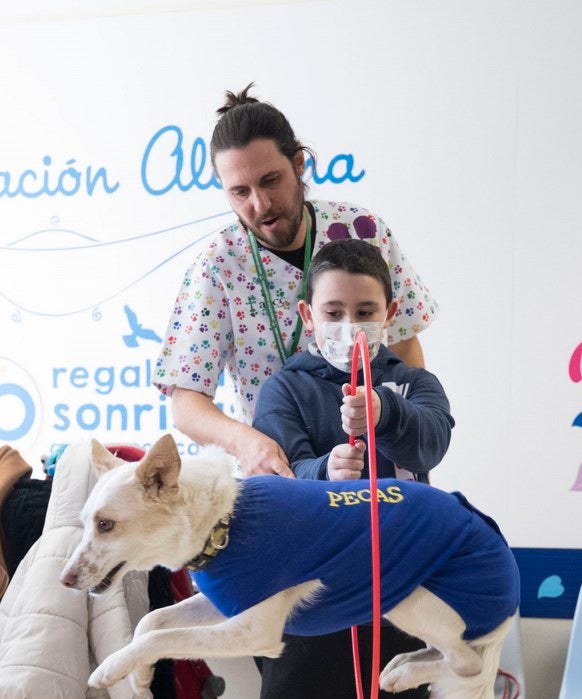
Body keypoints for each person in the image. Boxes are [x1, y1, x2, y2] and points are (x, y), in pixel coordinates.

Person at [250, 240, 455, 699]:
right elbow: (271, 471)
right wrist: (321, 472)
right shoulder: (286, 386)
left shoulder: (416, 383)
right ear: (309, 317)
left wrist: (386, 411)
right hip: (309, 607)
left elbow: (432, 437)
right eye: (334, 313)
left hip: (396, 600)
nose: (350, 326)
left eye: (365, 313)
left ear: (389, 315)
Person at [154, 86, 438, 477]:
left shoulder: (362, 230)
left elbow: (405, 343)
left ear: (299, 164)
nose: (259, 204)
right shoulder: (216, 267)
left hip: (375, 466)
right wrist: (246, 442)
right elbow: (186, 401)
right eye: (240, 192)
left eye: (271, 180)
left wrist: (408, 448)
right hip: (280, 469)